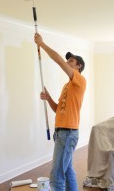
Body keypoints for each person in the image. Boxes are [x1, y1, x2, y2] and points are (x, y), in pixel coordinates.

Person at [34, 33, 86, 191]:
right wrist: (49, 98)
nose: (67, 62)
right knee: (67, 170)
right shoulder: (67, 86)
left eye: (71, 61)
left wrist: (41, 44)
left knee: (56, 176)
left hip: (67, 133)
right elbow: (58, 110)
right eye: (68, 60)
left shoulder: (79, 81)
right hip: (61, 132)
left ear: (79, 67)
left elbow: (58, 60)